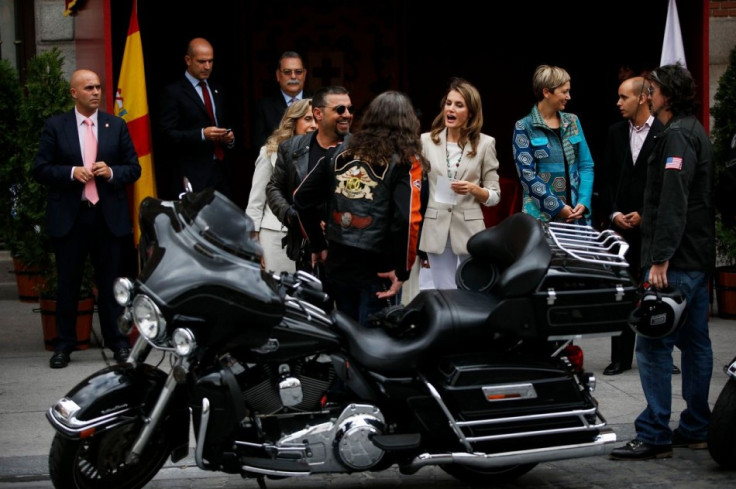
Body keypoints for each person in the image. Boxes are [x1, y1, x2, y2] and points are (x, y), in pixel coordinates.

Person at [611, 64, 715, 460]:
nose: (647, 96)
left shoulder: (676, 136)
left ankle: (654, 433)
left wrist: (659, 260)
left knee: (653, 346)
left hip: (677, 265)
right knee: (695, 344)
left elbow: (674, 202)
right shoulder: (693, 131)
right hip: (695, 260)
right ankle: (696, 427)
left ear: (666, 95)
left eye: (651, 89)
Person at [32, 69, 141, 369]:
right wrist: (70, 172)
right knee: (69, 283)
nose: (96, 92)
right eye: (89, 88)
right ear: (74, 93)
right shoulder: (56, 126)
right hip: (72, 216)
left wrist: (112, 172)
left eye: (98, 87)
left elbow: (133, 168)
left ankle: (118, 342)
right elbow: (40, 168)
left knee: (111, 285)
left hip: (107, 217)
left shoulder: (115, 125)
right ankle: (64, 345)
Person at [293, 91, 424, 325]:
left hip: (338, 262)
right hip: (378, 268)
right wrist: (402, 270)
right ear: (408, 122)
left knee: (346, 341)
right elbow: (407, 219)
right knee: (374, 345)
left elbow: (301, 198)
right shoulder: (405, 162)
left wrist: (318, 244)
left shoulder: (338, 151)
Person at [600, 76, 663, 376]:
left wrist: (645, 215)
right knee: (621, 290)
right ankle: (620, 357)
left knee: (657, 290)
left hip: (652, 227)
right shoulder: (614, 132)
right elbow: (607, 180)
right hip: (620, 227)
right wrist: (614, 215)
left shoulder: (664, 133)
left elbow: (666, 186)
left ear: (642, 98)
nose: (618, 102)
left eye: (623, 97)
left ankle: (662, 353)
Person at [418, 77, 501, 290]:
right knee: (444, 292)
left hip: (470, 229)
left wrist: (475, 190)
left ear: (471, 113)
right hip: (436, 226)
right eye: (448, 103)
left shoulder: (485, 144)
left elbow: (495, 195)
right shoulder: (426, 141)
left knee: (472, 291)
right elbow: (416, 184)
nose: (451, 109)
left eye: (459, 105)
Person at [266, 86, 353, 272]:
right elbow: (274, 188)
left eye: (349, 109)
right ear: (318, 114)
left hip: (348, 251)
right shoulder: (291, 148)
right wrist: (293, 217)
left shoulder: (360, 149)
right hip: (307, 250)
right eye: (340, 109)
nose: (347, 114)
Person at [512, 64, 594, 226]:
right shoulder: (524, 126)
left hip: (576, 216)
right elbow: (526, 175)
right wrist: (556, 207)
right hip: (540, 218)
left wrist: (583, 202)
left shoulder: (573, 121)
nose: (568, 96)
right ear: (546, 92)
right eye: (564, 92)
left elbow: (586, 165)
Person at [245, 99, 317, 273]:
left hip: (314, 240)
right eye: (307, 119)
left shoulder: (326, 153)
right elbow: (255, 203)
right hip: (276, 237)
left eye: (317, 119)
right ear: (293, 122)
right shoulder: (270, 152)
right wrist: (254, 243)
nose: (314, 125)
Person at [158, 37, 235, 198]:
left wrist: (229, 138)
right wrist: (201, 134)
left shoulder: (217, 89)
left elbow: (225, 123)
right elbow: (166, 135)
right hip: (192, 174)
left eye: (210, 61)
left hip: (221, 171)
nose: (207, 67)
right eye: (201, 61)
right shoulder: (174, 92)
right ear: (188, 60)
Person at [252, 51, 310, 152]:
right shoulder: (264, 107)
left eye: (298, 72)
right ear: (278, 75)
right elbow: (260, 145)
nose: (293, 76)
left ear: (304, 74)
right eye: (287, 72)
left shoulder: (317, 102)